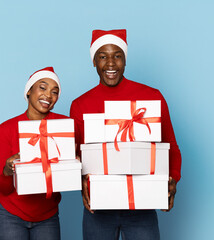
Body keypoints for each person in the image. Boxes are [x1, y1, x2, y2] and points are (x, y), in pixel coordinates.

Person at [70, 29, 182, 240]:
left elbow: (171, 147)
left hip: (142, 204)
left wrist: (172, 179)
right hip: (98, 206)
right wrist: (80, 179)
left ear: (125, 60)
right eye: (103, 56)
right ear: (94, 61)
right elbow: (75, 156)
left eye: (117, 56)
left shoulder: (151, 97)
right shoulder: (80, 105)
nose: (111, 63)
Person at [0, 67, 66, 240]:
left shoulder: (64, 126)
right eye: (42, 87)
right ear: (29, 91)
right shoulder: (5, 130)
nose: (48, 95)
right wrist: (8, 170)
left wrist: (74, 162)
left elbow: (71, 174)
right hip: (10, 215)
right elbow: (3, 187)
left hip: (47, 215)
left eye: (54, 92)